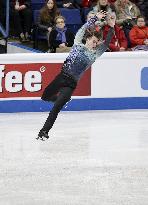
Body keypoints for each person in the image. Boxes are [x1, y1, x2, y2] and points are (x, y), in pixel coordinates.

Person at [37, 10, 115, 141]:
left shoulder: (95, 54)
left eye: (97, 43)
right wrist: (95, 18)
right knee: (45, 96)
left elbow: (106, 43)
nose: (95, 44)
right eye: (94, 41)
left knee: (56, 108)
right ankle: (60, 99)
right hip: (61, 77)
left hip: (71, 83)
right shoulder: (78, 43)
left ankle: (44, 131)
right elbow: (84, 28)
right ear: (88, 38)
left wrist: (112, 27)